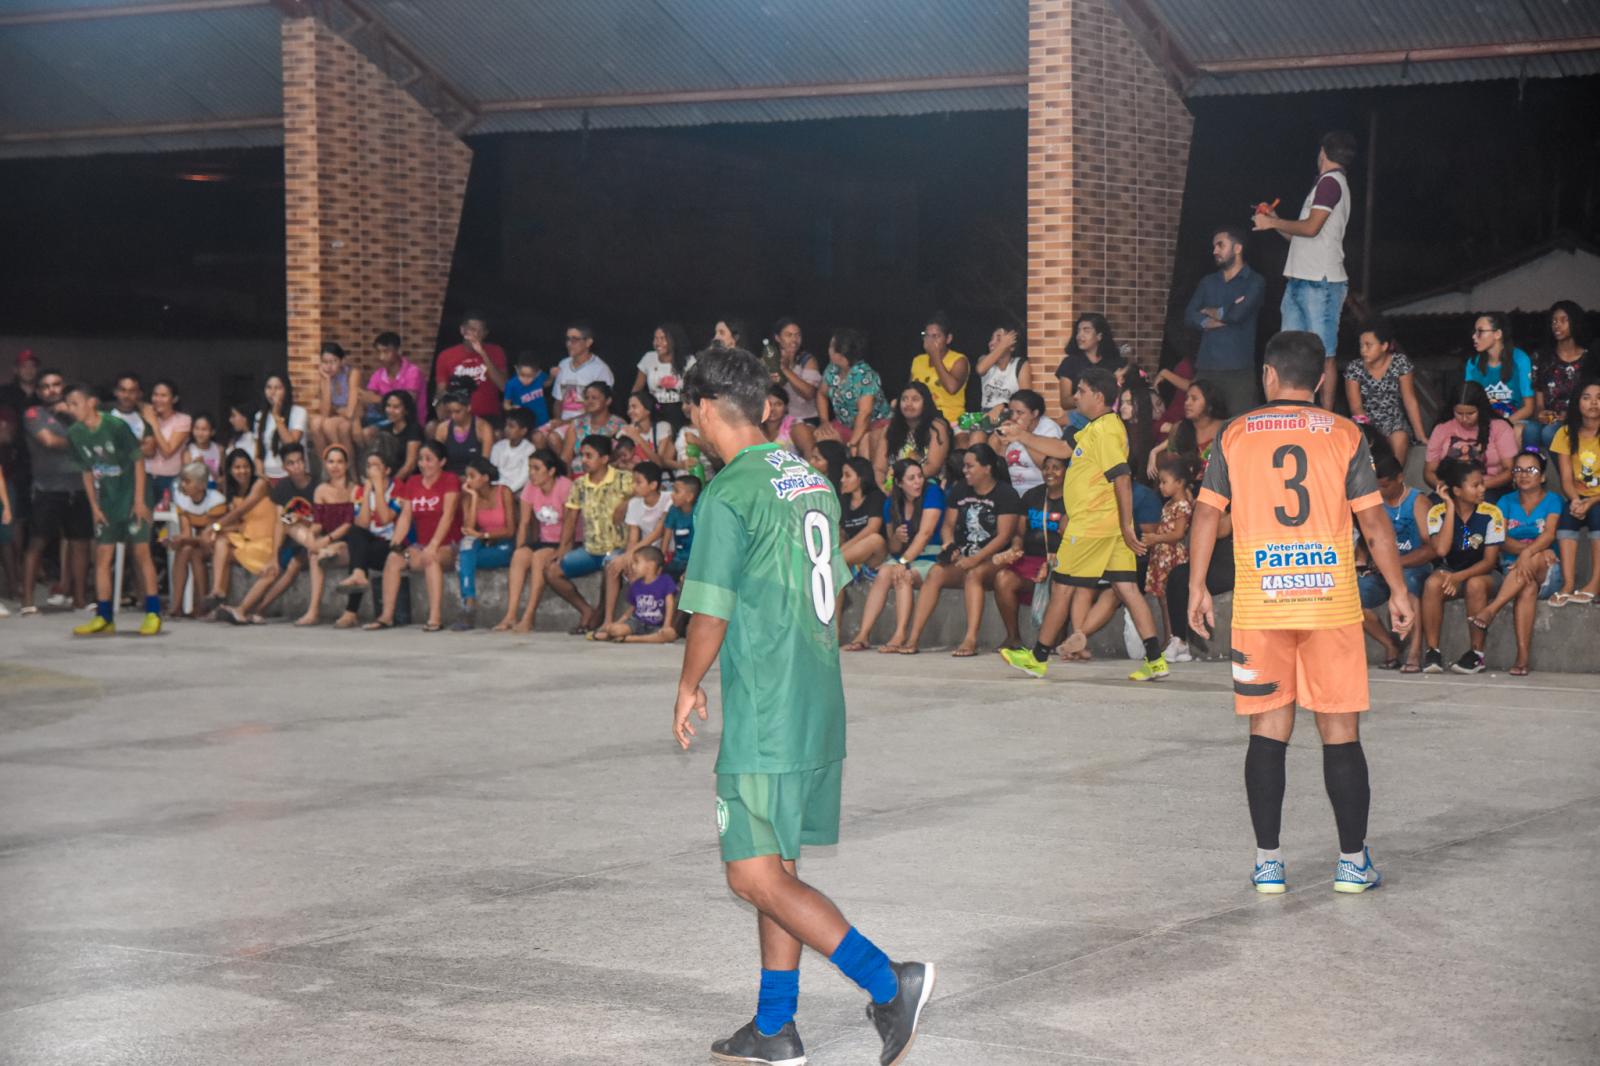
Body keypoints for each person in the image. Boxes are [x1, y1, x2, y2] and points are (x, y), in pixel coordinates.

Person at [671, 346, 934, 1066]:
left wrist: (690, 683)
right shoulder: (807, 477)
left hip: (768, 699)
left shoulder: (729, 492)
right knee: (776, 868)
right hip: (817, 692)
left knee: (750, 876)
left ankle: (889, 984)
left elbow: (710, 611)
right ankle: (775, 1026)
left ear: (701, 410)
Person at [1186, 329, 1413, 895]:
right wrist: (1399, 589)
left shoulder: (1236, 434)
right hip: (1330, 604)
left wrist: (1195, 587)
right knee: (1340, 733)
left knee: (1267, 732)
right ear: (1319, 381)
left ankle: (1268, 864)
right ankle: (1351, 864)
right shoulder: (1343, 434)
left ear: (1268, 375)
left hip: (1260, 605)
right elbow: (1374, 522)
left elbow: (1207, 515)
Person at [1000, 367, 1170, 682]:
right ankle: (1155, 659)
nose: (1075, 396)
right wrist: (1021, 435)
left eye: (1080, 390)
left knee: (1062, 586)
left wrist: (1126, 525)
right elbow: (1063, 450)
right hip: (1108, 526)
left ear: (1098, 396)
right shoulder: (1094, 428)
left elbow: (1121, 477)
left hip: (1093, 524)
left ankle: (1037, 658)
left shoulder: (1105, 431)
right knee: (1127, 588)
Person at [1253, 131, 1358, 409]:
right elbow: (1300, 235)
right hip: (1302, 279)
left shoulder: (1330, 183)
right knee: (1291, 352)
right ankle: (1292, 407)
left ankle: (1324, 414)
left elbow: (1310, 228)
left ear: (1322, 152)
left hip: (1320, 282)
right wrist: (1276, 220)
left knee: (1324, 354)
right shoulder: (1326, 184)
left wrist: (1272, 224)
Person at [896, 443, 1021, 657]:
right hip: (963, 556)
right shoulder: (961, 489)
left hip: (994, 559)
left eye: (970, 466)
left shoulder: (1005, 493)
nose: (965, 471)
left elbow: (1004, 536)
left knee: (973, 574)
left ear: (987, 468)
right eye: (964, 466)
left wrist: (976, 559)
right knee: (936, 572)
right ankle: (913, 636)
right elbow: (947, 526)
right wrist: (949, 545)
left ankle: (970, 638)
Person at [63, 385, 161, 637]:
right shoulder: (75, 433)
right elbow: (86, 471)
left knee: (140, 552)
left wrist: (139, 501)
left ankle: (153, 612)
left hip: (132, 493)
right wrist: (94, 506)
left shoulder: (115, 426)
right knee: (103, 556)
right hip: (107, 497)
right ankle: (104, 616)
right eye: (69, 405)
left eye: (75, 403)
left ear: (91, 402)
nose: (71, 409)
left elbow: (138, 460)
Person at [1467, 451, 1564, 675]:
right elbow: (1499, 539)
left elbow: (1549, 535)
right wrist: (1527, 554)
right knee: (1527, 585)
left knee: (1539, 557)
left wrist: (1527, 553)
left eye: (1531, 470)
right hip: (1514, 570)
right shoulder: (1505, 501)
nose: (1523, 475)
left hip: (1547, 570)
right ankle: (1522, 656)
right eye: (1518, 470)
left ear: (1542, 477)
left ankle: (1491, 609)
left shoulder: (1553, 500)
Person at [842, 458, 945, 652]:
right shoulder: (891, 503)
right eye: (911, 478)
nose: (918, 482)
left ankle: (900, 634)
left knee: (902, 576)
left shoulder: (933, 493)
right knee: (884, 574)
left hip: (930, 557)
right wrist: (897, 538)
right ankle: (863, 635)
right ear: (899, 483)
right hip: (904, 557)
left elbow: (925, 534)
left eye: (920, 476)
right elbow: (893, 545)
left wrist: (904, 562)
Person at [1418, 458, 1505, 674]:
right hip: (1450, 571)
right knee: (1432, 584)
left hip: (1485, 574)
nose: (1482, 489)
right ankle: (1432, 651)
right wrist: (1448, 507)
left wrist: (1460, 577)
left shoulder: (1492, 513)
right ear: (1456, 490)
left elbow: (1489, 562)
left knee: (1474, 584)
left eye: (1482, 483)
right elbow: (1441, 551)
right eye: (1475, 485)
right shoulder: (1437, 512)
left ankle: (1477, 654)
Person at [366, 440, 461, 632]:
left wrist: (434, 545)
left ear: (442, 462)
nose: (423, 464)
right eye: (420, 459)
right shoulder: (413, 482)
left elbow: (448, 515)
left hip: (448, 546)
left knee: (431, 558)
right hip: (420, 546)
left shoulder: (450, 480)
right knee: (393, 559)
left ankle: (435, 617)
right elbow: (406, 517)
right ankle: (386, 616)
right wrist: (396, 543)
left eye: (429, 459)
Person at [1356, 454, 1437, 673]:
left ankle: (1414, 652)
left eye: (1385, 485)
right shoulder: (1374, 502)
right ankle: (1390, 644)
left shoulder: (1418, 501)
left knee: (1409, 585)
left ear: (1400, 477)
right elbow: (1365, 541)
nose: (1381, 491)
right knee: (1353, 598)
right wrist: (1362, 562)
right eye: (1377, 486)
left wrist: (1395, 563)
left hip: (1415, 568)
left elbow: (1431, 548)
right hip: (1383, 572)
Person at [20, 370, 90, 614]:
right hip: (47, 488)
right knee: (37, 542)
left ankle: (80, 599)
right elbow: (49, 441)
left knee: (81, 543)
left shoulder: (76, 415)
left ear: (64, 387)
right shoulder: (33, 414)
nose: (52, 390)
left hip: (79, 487)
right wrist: (79, 440)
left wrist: (72, 414)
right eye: (46, 386)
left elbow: (95, 434)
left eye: (57, 384)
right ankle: (28, 601)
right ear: (39, 392)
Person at [545, 434, 630, 634]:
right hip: (590, 550)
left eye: (589, 455)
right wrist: (562, 549)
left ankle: (603, 618)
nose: (583, 460)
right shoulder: (579, 484)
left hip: (618, 547)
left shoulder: (623, 479)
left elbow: (646, 494)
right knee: (552, 571)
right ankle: (587, 611)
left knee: (611, 565)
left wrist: (627, 502)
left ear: (604, 458)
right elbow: (570, 519)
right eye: (582, 455)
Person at [221, 443, 315, 624]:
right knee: (272, 569)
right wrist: (274, 555)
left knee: (294, 565)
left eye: (300, 462)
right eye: (291, 463)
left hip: (312, 536)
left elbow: (321, 518)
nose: (297, 467)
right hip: (290, 538)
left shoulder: (315, 485)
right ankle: (243, 610)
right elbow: (281, 521)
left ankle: (258, 610)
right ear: (284, 467)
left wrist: (303, 520)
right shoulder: (282, 488)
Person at [1183, 223, 1265, 418]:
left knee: (1235, 425)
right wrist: (1208, 320)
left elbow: (1238, 314)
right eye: (1214, 246)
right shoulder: (1208, 281)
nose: (1215, 251)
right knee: (1200, 423)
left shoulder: (1254, 280)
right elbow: (1189, 315)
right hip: (1206, 366)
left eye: (1220, 245)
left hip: (1237, 369)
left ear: (1237, 248)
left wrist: (1210, 311)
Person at [991, 453, 1065, 651]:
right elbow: (1019, 534)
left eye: (1056, 467)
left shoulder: (1073, 498)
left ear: (1067, 472)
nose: (1050, 472)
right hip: (1030, 559)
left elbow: (1074, 540)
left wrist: (1051, 562)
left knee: (1059, 581)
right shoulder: (1032, 496)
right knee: (1002, 578)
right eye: (1046, 468)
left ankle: (1056, 639)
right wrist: (1015, 548)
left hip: (1059, 561)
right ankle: (1013, 637)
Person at [1343, 318, 1426, 466]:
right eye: (1361, 345)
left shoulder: (1400, 363)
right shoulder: (1354, 368)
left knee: (1400, 438)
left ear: (1384, 346)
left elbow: (1409, 399)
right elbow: (1356, 407)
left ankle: (1393, 481)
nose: (1363, 350)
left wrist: (1420, 435)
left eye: (1369, 345)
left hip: (1394, 421)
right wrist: (1370, 432)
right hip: (1366, 422)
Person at [204, 447, 275, 620]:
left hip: (264, 542)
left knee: (220, 540)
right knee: (221, 544)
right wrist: (213, 532)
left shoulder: (261, 484)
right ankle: (218, 592)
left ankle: (218, 597)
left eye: (245, 467)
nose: (242, 471)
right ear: (229, 470)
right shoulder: (232, 491)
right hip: (246, 539)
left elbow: (241, 511)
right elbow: (238, 524)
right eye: (237, 467)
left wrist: (215, 527)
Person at [336, 450, 403, 628]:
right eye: (369, 466)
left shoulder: (398, 487)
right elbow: (363, 523)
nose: (371, 470)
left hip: (392, 547)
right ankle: (358, 574)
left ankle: (351, 611)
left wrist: (379, 488)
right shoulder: (358, 490)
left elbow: (385, 517)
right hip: (368, 544)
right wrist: (366, 492)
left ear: (387, 470)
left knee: (359, 555)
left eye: (376, 466)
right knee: (356, 533)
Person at [290, 444, 357, 627]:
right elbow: (319, 523)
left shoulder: (355, 489)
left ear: (347, 464)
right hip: (327, 543)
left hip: (349, 545)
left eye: (339, 462)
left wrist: (326, 540)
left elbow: (348, 524)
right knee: (312, 552)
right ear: (325, 465)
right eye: (331, 462)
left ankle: (318, 611)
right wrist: (312, 537)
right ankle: (313, 611)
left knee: (321, 550)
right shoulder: (321, 490)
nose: (335, 466)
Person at [599, 461, 671, 627]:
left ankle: (640, 618)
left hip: (660, 549)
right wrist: (628, 558)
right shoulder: (634, 504)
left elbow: (657, 533)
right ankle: (608, 620)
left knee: (636, 564)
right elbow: (633, 537)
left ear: (653, 485)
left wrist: (630, 556)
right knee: (613, 564)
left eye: (638, 482)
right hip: (642, 550)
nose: (634, 486)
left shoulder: (668, 499)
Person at [1549, 378, 1600, 605]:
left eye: (1599, 398)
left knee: (1598, 514)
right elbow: (1566, 478)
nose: (1593, 403)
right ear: (1577, 402)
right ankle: (1568, 583)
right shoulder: (1565, 433)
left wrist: (1591, 502)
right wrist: (1576, 500)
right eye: (1587, 398)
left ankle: (1595, 582)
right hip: (1579, 495)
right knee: (1566, 516)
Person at [452, 456, 516, 630]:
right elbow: (468, 528)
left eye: (472, 476)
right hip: (484, 545)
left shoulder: (504, 492)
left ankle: (468, 606)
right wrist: (473, 497)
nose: (468, 481)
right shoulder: (468, 498)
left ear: (486, 477)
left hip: (505, 545)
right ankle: (470, 602)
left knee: (463, 559)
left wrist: (483, 535)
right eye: (466, 477)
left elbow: (510, 530)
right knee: (466, 546)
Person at [807, 327, 890, 456]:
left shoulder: (865, 376)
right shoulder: (832, 369)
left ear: (841, 354)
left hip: (872, 426)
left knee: (862, 448)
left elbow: (865, 414)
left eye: (831, 347)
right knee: (820, 438)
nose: (828, 350)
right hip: (844, 424)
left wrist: (852, 443)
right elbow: (821, 394)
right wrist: (824, 421)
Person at [1144, 454, 1196, 656]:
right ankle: (1170, 638)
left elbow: (1178, 534)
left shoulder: (1182, 505)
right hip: (1161, 555)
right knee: (1162, 599)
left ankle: (1176, 638)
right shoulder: (1168, 505)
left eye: (1165, 482)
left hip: (1172, 555)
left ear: (1180, 482)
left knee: (1170, 599)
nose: (1161, 487)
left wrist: (1155, 539)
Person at [1425, 381, 1517, 493]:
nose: (1464, 419)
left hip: (1489, 488)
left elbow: (1509, 471)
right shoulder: (1442, 428)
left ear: (1481, 409)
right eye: (1459, 413)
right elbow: (1429, 471)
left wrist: (1476, 487)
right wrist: (1442, 486)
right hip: (1452, 490)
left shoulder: (1500, 427)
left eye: (1470, 413)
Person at [1531, 301, 1594, 451]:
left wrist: (1571, 415)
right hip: (1550, 418)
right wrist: (1540, 412)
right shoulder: (1541, 357)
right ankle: (1532, 470)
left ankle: (1565, 474)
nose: (1557, 325)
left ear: (1576, 323)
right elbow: (1538, 399)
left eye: (1564, 320)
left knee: (1549, 432)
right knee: (1531, 430)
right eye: (1554, 321)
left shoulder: (1589, 359)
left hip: (1579, 418)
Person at [589, 545, 678, 643]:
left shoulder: (665, 581)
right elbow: (631, 610)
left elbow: (670, 604)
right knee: (615, 629)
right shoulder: (636, 585)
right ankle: (618, 636)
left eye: (637, 562)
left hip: (657, 625)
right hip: (636, 623)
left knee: (670, 634)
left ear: (650, 565)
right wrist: (617, 623)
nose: (633, 566)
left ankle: (629, 639)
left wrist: (667, 624)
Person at [870, 382, 950, 490]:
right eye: (904, 399)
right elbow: (879, 468)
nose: (908, 404)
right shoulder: (890, 428)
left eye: (915, 399)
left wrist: (906, 481)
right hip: (895, 486)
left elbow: (933, 467)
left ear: (925, 403)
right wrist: (883, 488)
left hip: (925, 483)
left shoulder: (937, 427)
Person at [1463, 313, 1535, 434]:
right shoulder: (1473, 363)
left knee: (1517, 430)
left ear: (1497, 334)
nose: (1474, 336)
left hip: (1515, 420)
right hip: (1483, 423)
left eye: (1480, 331)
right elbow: (1468, 404)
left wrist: (1503, 425)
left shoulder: (1520, 359)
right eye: (1474, 331)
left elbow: (1529, 408)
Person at [1054, 313, 1126, 428]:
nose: (1079, 336)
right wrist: (1089, 398)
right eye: (1078, 331)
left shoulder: (1117, 363)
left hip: (1110, 419)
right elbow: (1065, 402)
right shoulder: (1070, 362)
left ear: (1099, 336)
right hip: (1079, 419)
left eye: (1086, 331)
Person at [433, 310, 507, 421]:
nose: (476, 335)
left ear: (485, 333)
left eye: (480, 331)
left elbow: (504, 386)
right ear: (463, 330)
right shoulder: (446, 355)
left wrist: (483, 354)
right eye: (472, 330)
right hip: (457, 416)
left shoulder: (496, 351)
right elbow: (441, 390)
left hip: (487, 416)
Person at [1146, 380, 1226, 481]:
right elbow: (1173, 469)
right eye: (1187, 398)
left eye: (1194, 399)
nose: (1187, 403)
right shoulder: (1179, 429)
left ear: (1210, 404)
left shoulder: (1226, 430)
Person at [988, 389, 1062, 494]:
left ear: (1035, 413)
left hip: (1039, 490)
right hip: (1011, 490)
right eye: (1011, 412)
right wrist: (1001, 440)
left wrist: (1022, 436)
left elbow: (1046, 465)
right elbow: (992, 462)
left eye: (1020, 413)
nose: (1014, 417)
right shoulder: (1011, 425)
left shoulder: (1049, 429)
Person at [908, 312, 969, 425]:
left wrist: (935, 357)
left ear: (948, 338)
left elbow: (952, 388)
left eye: (935, 336)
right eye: (926, 335)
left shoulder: (959, 360)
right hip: (920, 419)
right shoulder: (918, 361)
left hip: (951, 419)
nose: (930, 340)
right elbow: (910, 391)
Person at [550, 320, 614, 426]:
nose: (569, 344)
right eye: (568, 339)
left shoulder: (600, 369)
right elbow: (558, 401)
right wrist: (558, 421)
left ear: (588, 342)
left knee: (554, 438)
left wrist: (565, 423)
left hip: (588, 424)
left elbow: (601, 407)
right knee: (538, 436)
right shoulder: (563, 364)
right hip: (563, 423)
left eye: (574, 340)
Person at [361, 331, 426, 435]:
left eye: (386, 352)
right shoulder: (378, 374)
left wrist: (379, 400)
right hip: (384, 418)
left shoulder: (413, 372)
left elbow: (408, 403)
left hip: (409, 421)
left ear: (398, 350)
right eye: (379, 352)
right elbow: (368, 397)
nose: (381, 357)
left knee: (368, 432)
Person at [632, 322, 696, 428]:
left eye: (663, 338)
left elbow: (696, 389)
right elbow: (637, 389)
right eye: (656, 338)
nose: (658, 343)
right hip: (655, 410)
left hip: (681, 411)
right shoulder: (649, 358)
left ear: (674, 340)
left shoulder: (688, 361)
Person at [140, 380, 191, 504]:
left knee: (168, 520)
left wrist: (154, 424)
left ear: (174, 399)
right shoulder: (144, 418)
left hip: (170, 479)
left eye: (163, 395)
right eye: (155, 395)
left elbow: (167, 452)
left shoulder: (183, 420)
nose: (158, 399)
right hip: (146, 476)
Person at [971, 325, 1028, 434]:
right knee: (975, 434)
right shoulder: (984, 360)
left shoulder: (1020, 365)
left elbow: (1026, 399)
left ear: (1011, 347)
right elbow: (980, 369)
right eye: (991, 339)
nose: (991, 343)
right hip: (985, 412)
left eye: (999, 339)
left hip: (1009, 413)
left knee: (997, 437)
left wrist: (1003, 406)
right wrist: (1003, 344)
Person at [308, 342, 361, 457]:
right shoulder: (325, 377)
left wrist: (337, 410)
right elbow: (325, 412)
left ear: (342, 361)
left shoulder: (352, 373)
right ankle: (325, 467)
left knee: (328, 424)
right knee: (315, 423)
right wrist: (326, 381)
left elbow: (350, 412)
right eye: (325, 362)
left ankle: (342, 464)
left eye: (333, 362)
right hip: (337, 416)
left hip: (355, 416)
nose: (328, 366)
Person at [251, 374, 307, 481]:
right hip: (268, 475)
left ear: (286, 390)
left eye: (278, 388)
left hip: (291, 475)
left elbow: (291, 444)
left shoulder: (298, 412)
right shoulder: (259, 416)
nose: (273, 392)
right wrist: (260, 473)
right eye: (269, 387)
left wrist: (276, 416)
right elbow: (258, 450)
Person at [769, 318, 824, 426]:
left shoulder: (807, 360)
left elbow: (809, 394)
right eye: (789, 335)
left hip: (805, 419)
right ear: (777, 338)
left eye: (798, 335)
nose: (794, 339)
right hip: (776, 420)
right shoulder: (769, 359)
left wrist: (786, 370)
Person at [836, 457, 886, 576]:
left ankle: (834, 561)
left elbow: (872, 529)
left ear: (861, 477)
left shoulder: (876, 496)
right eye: (842, 475)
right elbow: (841, 531)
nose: (842, 480)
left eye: (847, 475)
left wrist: (842, 551)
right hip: (851, 553)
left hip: (875, 553)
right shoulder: (844, 499)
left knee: (875, 539)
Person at [557, 382, 626, 464]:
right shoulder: (577, 424)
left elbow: (622, 458)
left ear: (608, 401)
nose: (589, 401)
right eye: (586, 398)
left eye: (594, 398)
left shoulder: (619, 425)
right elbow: (566, 457)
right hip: (577, 474)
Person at [434, 388, 494, 477]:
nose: (453, 416)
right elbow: (437, 459)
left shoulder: (483, 428)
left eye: (457, 411)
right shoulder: (442, 429)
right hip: (449, 477)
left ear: (468, 407)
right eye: (449, 412)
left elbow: (484, 463)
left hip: (474, 478)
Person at [374, 389, 423, 482]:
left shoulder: (414, 430)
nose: (391, 410)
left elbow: (410, 465)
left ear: (406, 410)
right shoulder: (384, 430)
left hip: (409, 481)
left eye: (396, 407)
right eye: (388, 406)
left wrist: (392, 484)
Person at [620, 390, 675, 469]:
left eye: (634, 407)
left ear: (648, 409)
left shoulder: (662, 427)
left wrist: (638, 438)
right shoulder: (625, 432)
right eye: (629, 408)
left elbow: (659, 463)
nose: (630, 411)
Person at [662, 472, 699, 580]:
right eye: (672, 490)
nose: (672, 494)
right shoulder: (673, 510)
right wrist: (660, 559)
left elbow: (701, 542)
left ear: (689, 497)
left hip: (695, 560)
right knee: (663, 579)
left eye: (676, 491)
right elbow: (667, 534)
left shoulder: (699, 512)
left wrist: (690, 568)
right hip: (677, 559)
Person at [502, 354, 551, 436]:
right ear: (517, 370)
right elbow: (505, 404)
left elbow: (547, 384)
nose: (525, 379)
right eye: (522, 375)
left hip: (543, 421)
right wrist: (511, 408)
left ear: (537, 373)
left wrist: (552, 376)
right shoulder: (511, 384)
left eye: (530, 376)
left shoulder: (541, 377)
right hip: (524, 425)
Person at [490, 408, 535, 493]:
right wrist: (495, 490)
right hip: (498, 488)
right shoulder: (498, 447)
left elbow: (524, 478)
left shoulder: (529, 449)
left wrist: (509, 491)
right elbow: (493, 472)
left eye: (511, 426)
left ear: (523, 431)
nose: (506, 429)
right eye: (506, 425)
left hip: (517, 488)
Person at [181, 412, 222, 483]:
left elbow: (222, 476)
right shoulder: (188, 451)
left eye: (204, 429)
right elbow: (187, 479)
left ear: (212, 432)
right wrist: (194, 466)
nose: (200, 433)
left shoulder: (219, 449)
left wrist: (205, 466)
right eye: (197, 428)